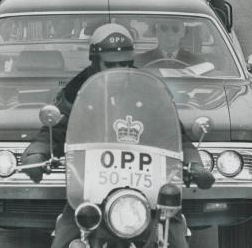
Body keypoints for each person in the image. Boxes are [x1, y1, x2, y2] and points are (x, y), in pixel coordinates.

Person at [21, 23, 214, 248]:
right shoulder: (77, 90)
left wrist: (194, 164)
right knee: (66, 236)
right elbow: (55, 130)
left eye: (124, 63)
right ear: (94, 62)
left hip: (146, 188)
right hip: (91, 190)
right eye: (110, 64)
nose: (118, 69)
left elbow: (176, 136)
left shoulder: (149, 91)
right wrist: (36, 154)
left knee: (173, 235)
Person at [135, 20, 204, 67]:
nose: (169, 33)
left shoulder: (195, 61)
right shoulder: (142, 60)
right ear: (157, 32)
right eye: (164, 28)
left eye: (175, 29)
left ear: (182, 33)